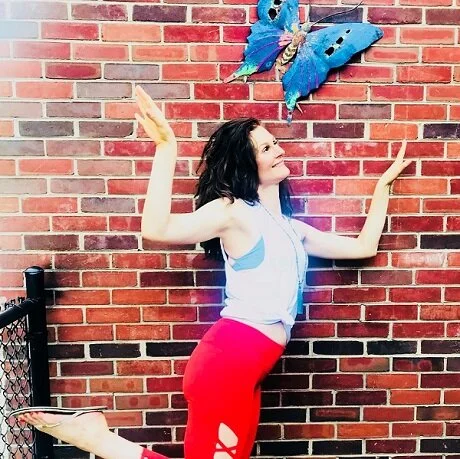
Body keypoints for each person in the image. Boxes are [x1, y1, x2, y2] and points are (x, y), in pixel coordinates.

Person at [12, 85, 412, 459]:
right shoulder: (233, 212)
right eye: (266, 147)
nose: (278, 150)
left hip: (246, 371)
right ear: (246, 163)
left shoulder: (293, 230)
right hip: (227, 365)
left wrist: (384, 188)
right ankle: (99, 440)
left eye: (274, 142)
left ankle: (98, 438)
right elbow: (157, 229)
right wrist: (166, 148)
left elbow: (363, 247)